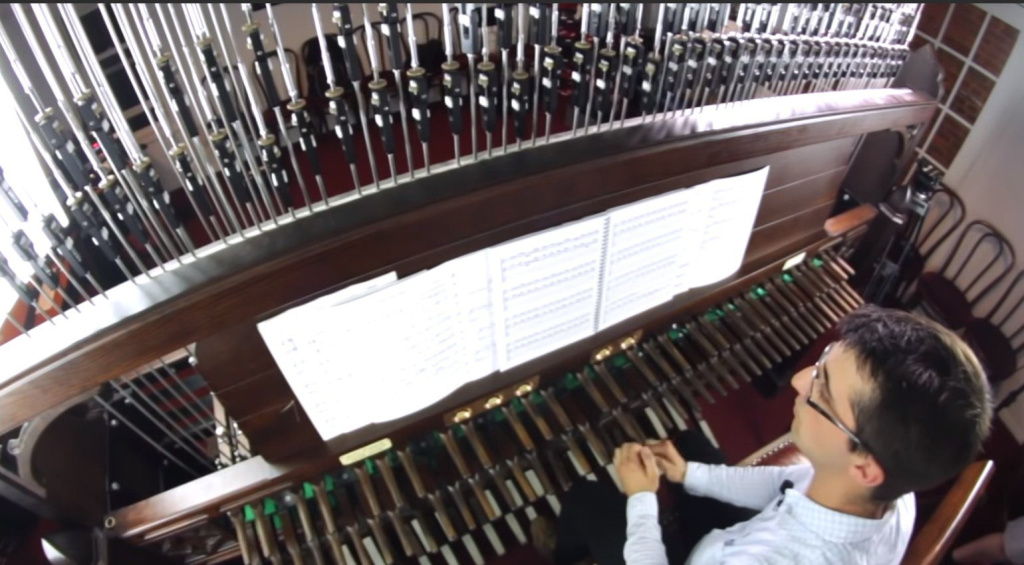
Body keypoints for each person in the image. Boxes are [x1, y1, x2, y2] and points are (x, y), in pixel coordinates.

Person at [536, 305, 992, 564]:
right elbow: (789, 483)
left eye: (823, 391)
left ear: (866, 467)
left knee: (586, 499)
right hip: (733, 540)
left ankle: (565, 552)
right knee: (689, 444)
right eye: (826, 360)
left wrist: (640, 500)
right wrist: (690, 473)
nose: (799, 380)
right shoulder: (895, 489)